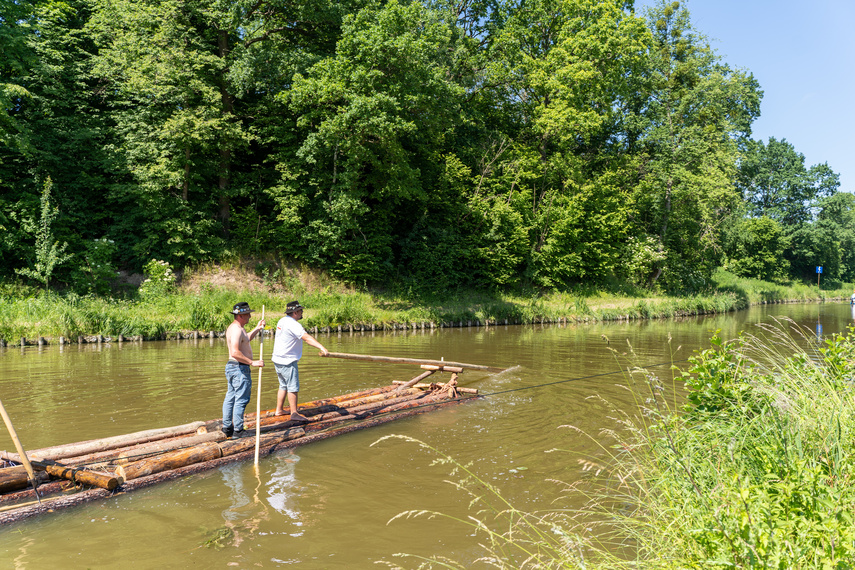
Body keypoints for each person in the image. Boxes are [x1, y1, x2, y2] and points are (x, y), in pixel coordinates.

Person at [271, 300, 329, 421]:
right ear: (296, 312)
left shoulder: (282, 320)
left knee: (283, 385)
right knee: (292, 386)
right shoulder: (293, 324)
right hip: (287, 361)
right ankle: (294, 413)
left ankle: (279, 410)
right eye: (301, 310)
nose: (302, 312)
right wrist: (321, 347)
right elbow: (307, 338)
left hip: (278, 359)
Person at [222, 302, 265, 438]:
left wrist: (257, 328)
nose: (250, 316)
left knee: (231, 397)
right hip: (239, 368)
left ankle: (227, 428)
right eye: (248, 314)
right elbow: (235, 352)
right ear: (241, 315)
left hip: (233, 367)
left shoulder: (237, 328)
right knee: (240, 399)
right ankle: (238, 431)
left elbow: (245, 340)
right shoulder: (236, 330)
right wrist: (252, 362)